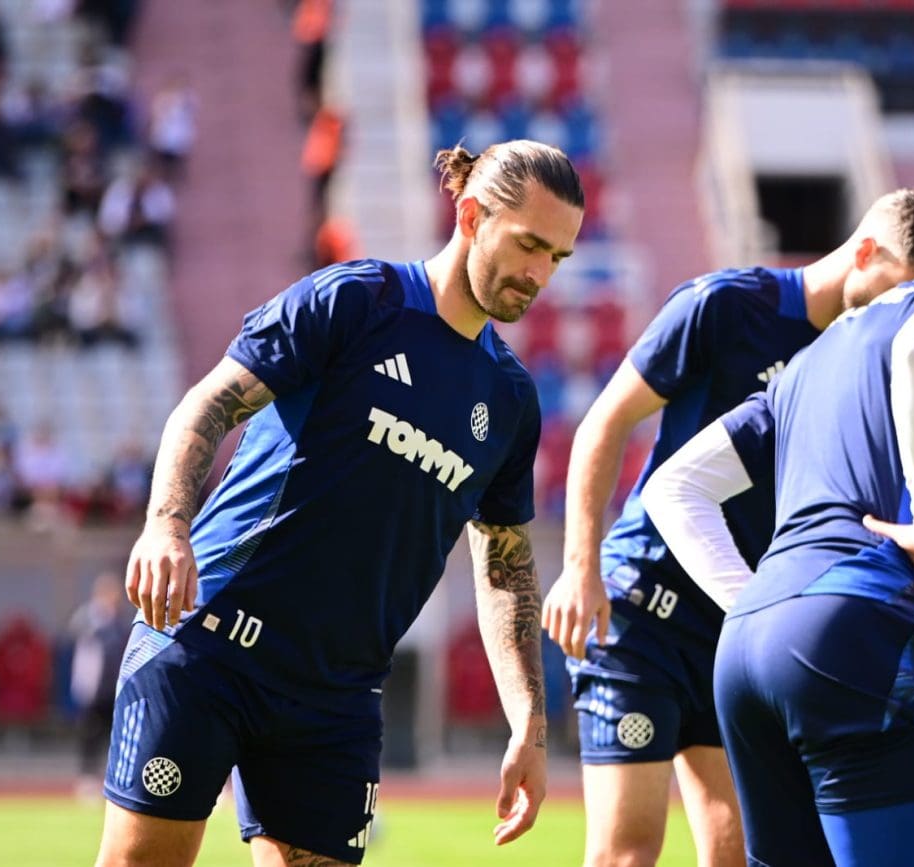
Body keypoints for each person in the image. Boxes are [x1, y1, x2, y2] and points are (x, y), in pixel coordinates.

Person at [95, 139, 584, 867]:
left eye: (558, 257)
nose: (540, 273)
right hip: (209, 642)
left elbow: (505, 570)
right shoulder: (357, 301)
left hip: (337, 697)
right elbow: (208, 405)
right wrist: (167, 526)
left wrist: (529, 726)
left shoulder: (511, 400)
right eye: (530, 245)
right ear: (472, 215)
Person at [542, 190, 914, 866]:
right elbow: (606, 420)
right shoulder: (725, 305)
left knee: (736, 849)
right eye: (900, 290)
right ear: (865, 252)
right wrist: (579, 565)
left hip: (737, 625)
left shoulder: (862, 360)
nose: (903, 313)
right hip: (643, 612)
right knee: (627, 852)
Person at [640, 227, 914, 866]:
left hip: (746, 653)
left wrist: (755, 602)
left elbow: (675, 487)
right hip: (857, 630)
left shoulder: (809, 361)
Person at [69, 571, 131, 791]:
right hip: (93, 688)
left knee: (115, 734)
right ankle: (87, 777)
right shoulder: (89, 618)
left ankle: (114, 777)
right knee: (90, 734)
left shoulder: (120, 623)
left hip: (114, 687)